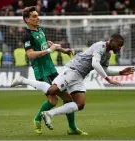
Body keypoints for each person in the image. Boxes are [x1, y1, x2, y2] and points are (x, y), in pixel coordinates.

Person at [11, 33, 135, 130]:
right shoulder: (100, 46)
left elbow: (104, 68)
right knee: (52, 91)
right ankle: (23, 80)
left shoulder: (107, 54)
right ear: (112, 41)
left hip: (80, 76)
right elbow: (95, 64)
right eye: (119, 45)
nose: (119, 48)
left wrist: (119, 73)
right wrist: (108, 79)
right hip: (72, 70)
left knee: (80, 104)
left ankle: (50, 114)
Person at [11, 6, 87, 135]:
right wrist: (48, 51)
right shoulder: (27, 36)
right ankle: (36, 118)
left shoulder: (40, 30)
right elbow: (30, 54)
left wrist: (64, 50)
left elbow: (48, 44)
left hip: (52, 69)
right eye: (34, 16)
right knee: (53, 101)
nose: (37, 18)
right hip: (41, 72)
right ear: (27, 19)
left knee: (68, 98)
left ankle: (72, 128)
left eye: (37, 15)